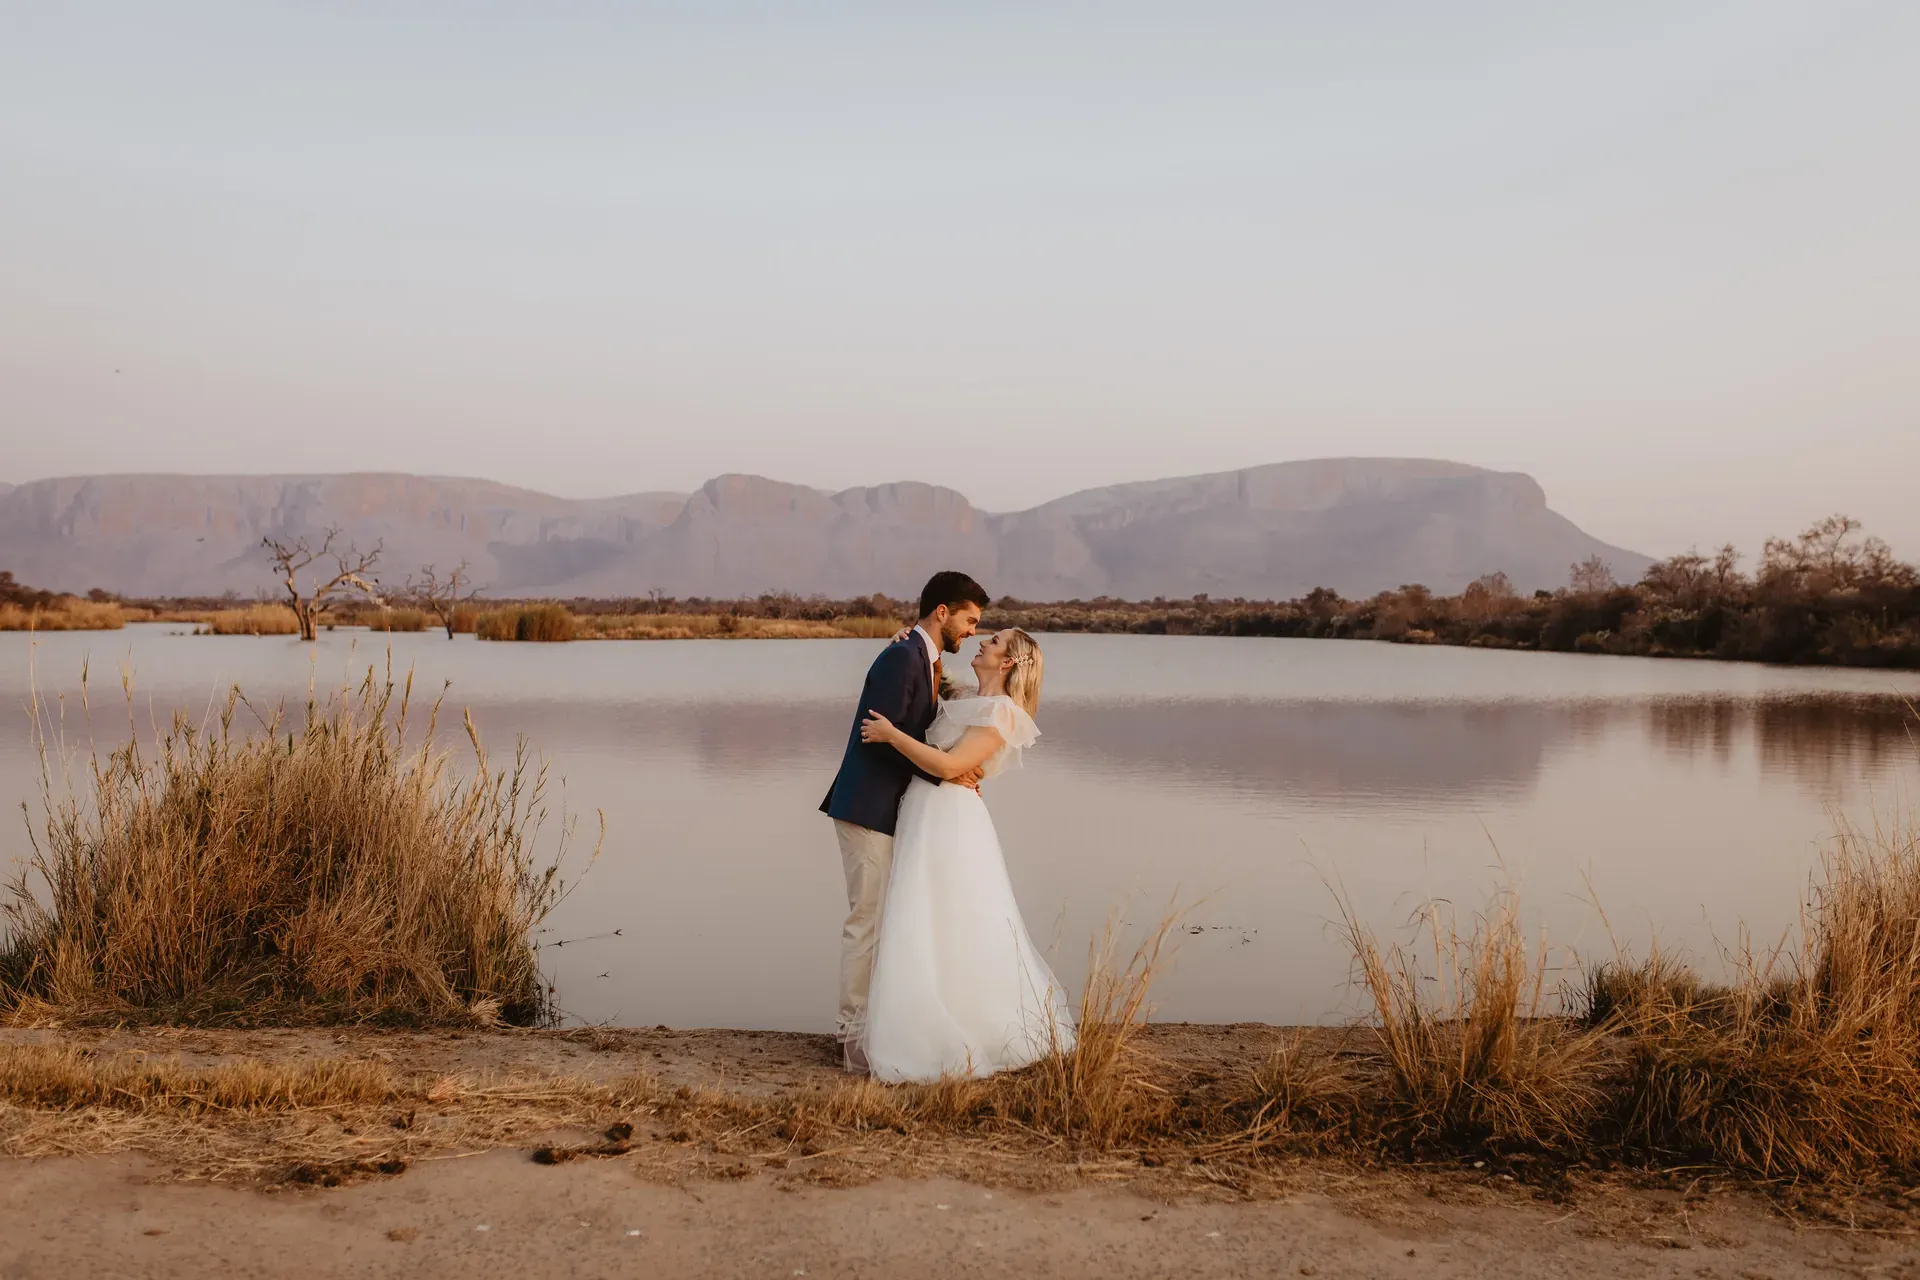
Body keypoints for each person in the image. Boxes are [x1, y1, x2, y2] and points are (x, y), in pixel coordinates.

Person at [855, 626, 1074, 1083]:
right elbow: (931, 690)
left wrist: (891, 735)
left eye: (993, 642)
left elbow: (951, 766)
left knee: (952, 917)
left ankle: (964, 1025)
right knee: (924, 916)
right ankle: (919, 1016)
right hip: (924, 812)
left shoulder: (1002, 713)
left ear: (1009, 662)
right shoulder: (968, 699)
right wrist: (913, 647)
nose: (983, 642)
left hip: (950, 820)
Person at [819, 570, 990, 1073]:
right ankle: (851, 1035)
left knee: (884, 922)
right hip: (867, 808)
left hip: (889, 811)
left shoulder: (925, 658)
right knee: (866, 923)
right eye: (970, 621)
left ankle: (875, 1025)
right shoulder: (902, 657)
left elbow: (913, 729)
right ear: (943, 613)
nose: (973, 632)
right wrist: (948, 774)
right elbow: (880, 738)